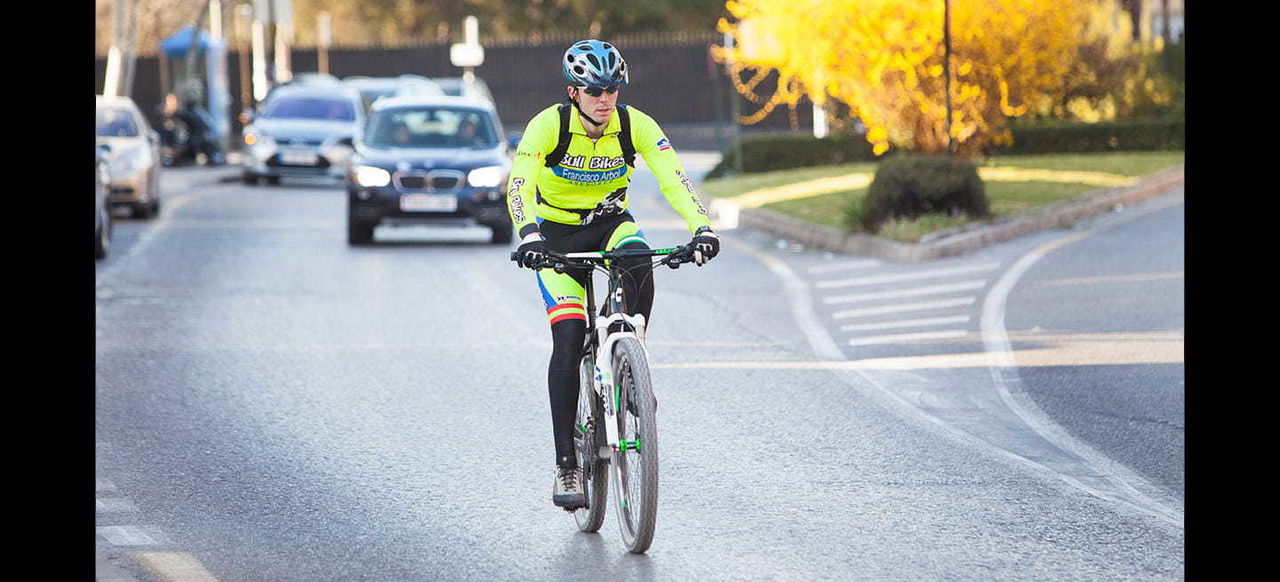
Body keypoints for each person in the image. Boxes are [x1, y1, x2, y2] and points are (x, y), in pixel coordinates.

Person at [505, 39, 721, 510]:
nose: (605, 99)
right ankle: (567, 463)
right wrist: (528, 234)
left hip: (610, 224)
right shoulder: (548, 126)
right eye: (595, 90)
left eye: (612, 89)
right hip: (556, 238)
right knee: (566, 338)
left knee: (640, 259)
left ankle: (629, 360)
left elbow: (673, 176)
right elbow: (519, 183)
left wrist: (701, 227)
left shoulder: (634, 125)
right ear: (573, 91)